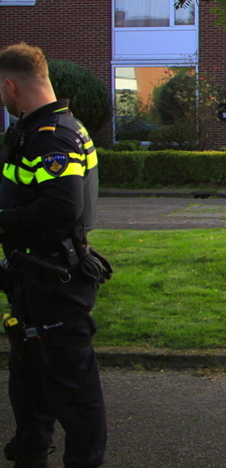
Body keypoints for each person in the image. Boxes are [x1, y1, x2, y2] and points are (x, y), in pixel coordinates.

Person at [0, 44, 109, 468]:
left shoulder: (54, 136)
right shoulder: (37, 130)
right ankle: (30, 453)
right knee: (30, 385)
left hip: (53, 281)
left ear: (12, 85)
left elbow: (62, 207)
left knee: (74, 391)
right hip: (33, 279)